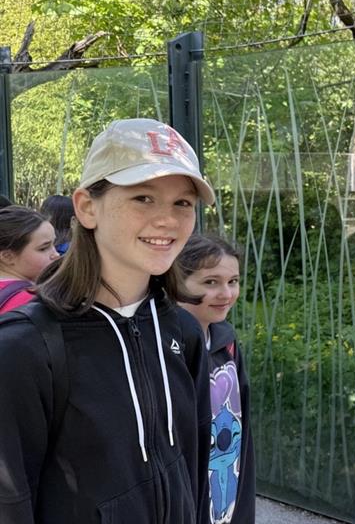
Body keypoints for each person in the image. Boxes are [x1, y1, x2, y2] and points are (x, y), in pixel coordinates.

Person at [0, 118, 217, 523]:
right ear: (86, 207)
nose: (168, 219)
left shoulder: (182, 332)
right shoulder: (25, 348)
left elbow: (196, 471)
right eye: (143, 198)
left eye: (183, 203)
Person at [177, 234, 255, 524]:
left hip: (226, 492)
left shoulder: (227, 341)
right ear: (175, 282)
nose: (226, 293)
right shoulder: (164, 347)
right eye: (210, 282)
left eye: (233, 281)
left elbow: (242, 434)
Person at [0, 205, 58, 312]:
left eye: (54, 244)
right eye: (43, 248)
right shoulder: (31, 304)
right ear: (7, 257)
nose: (56, 254)